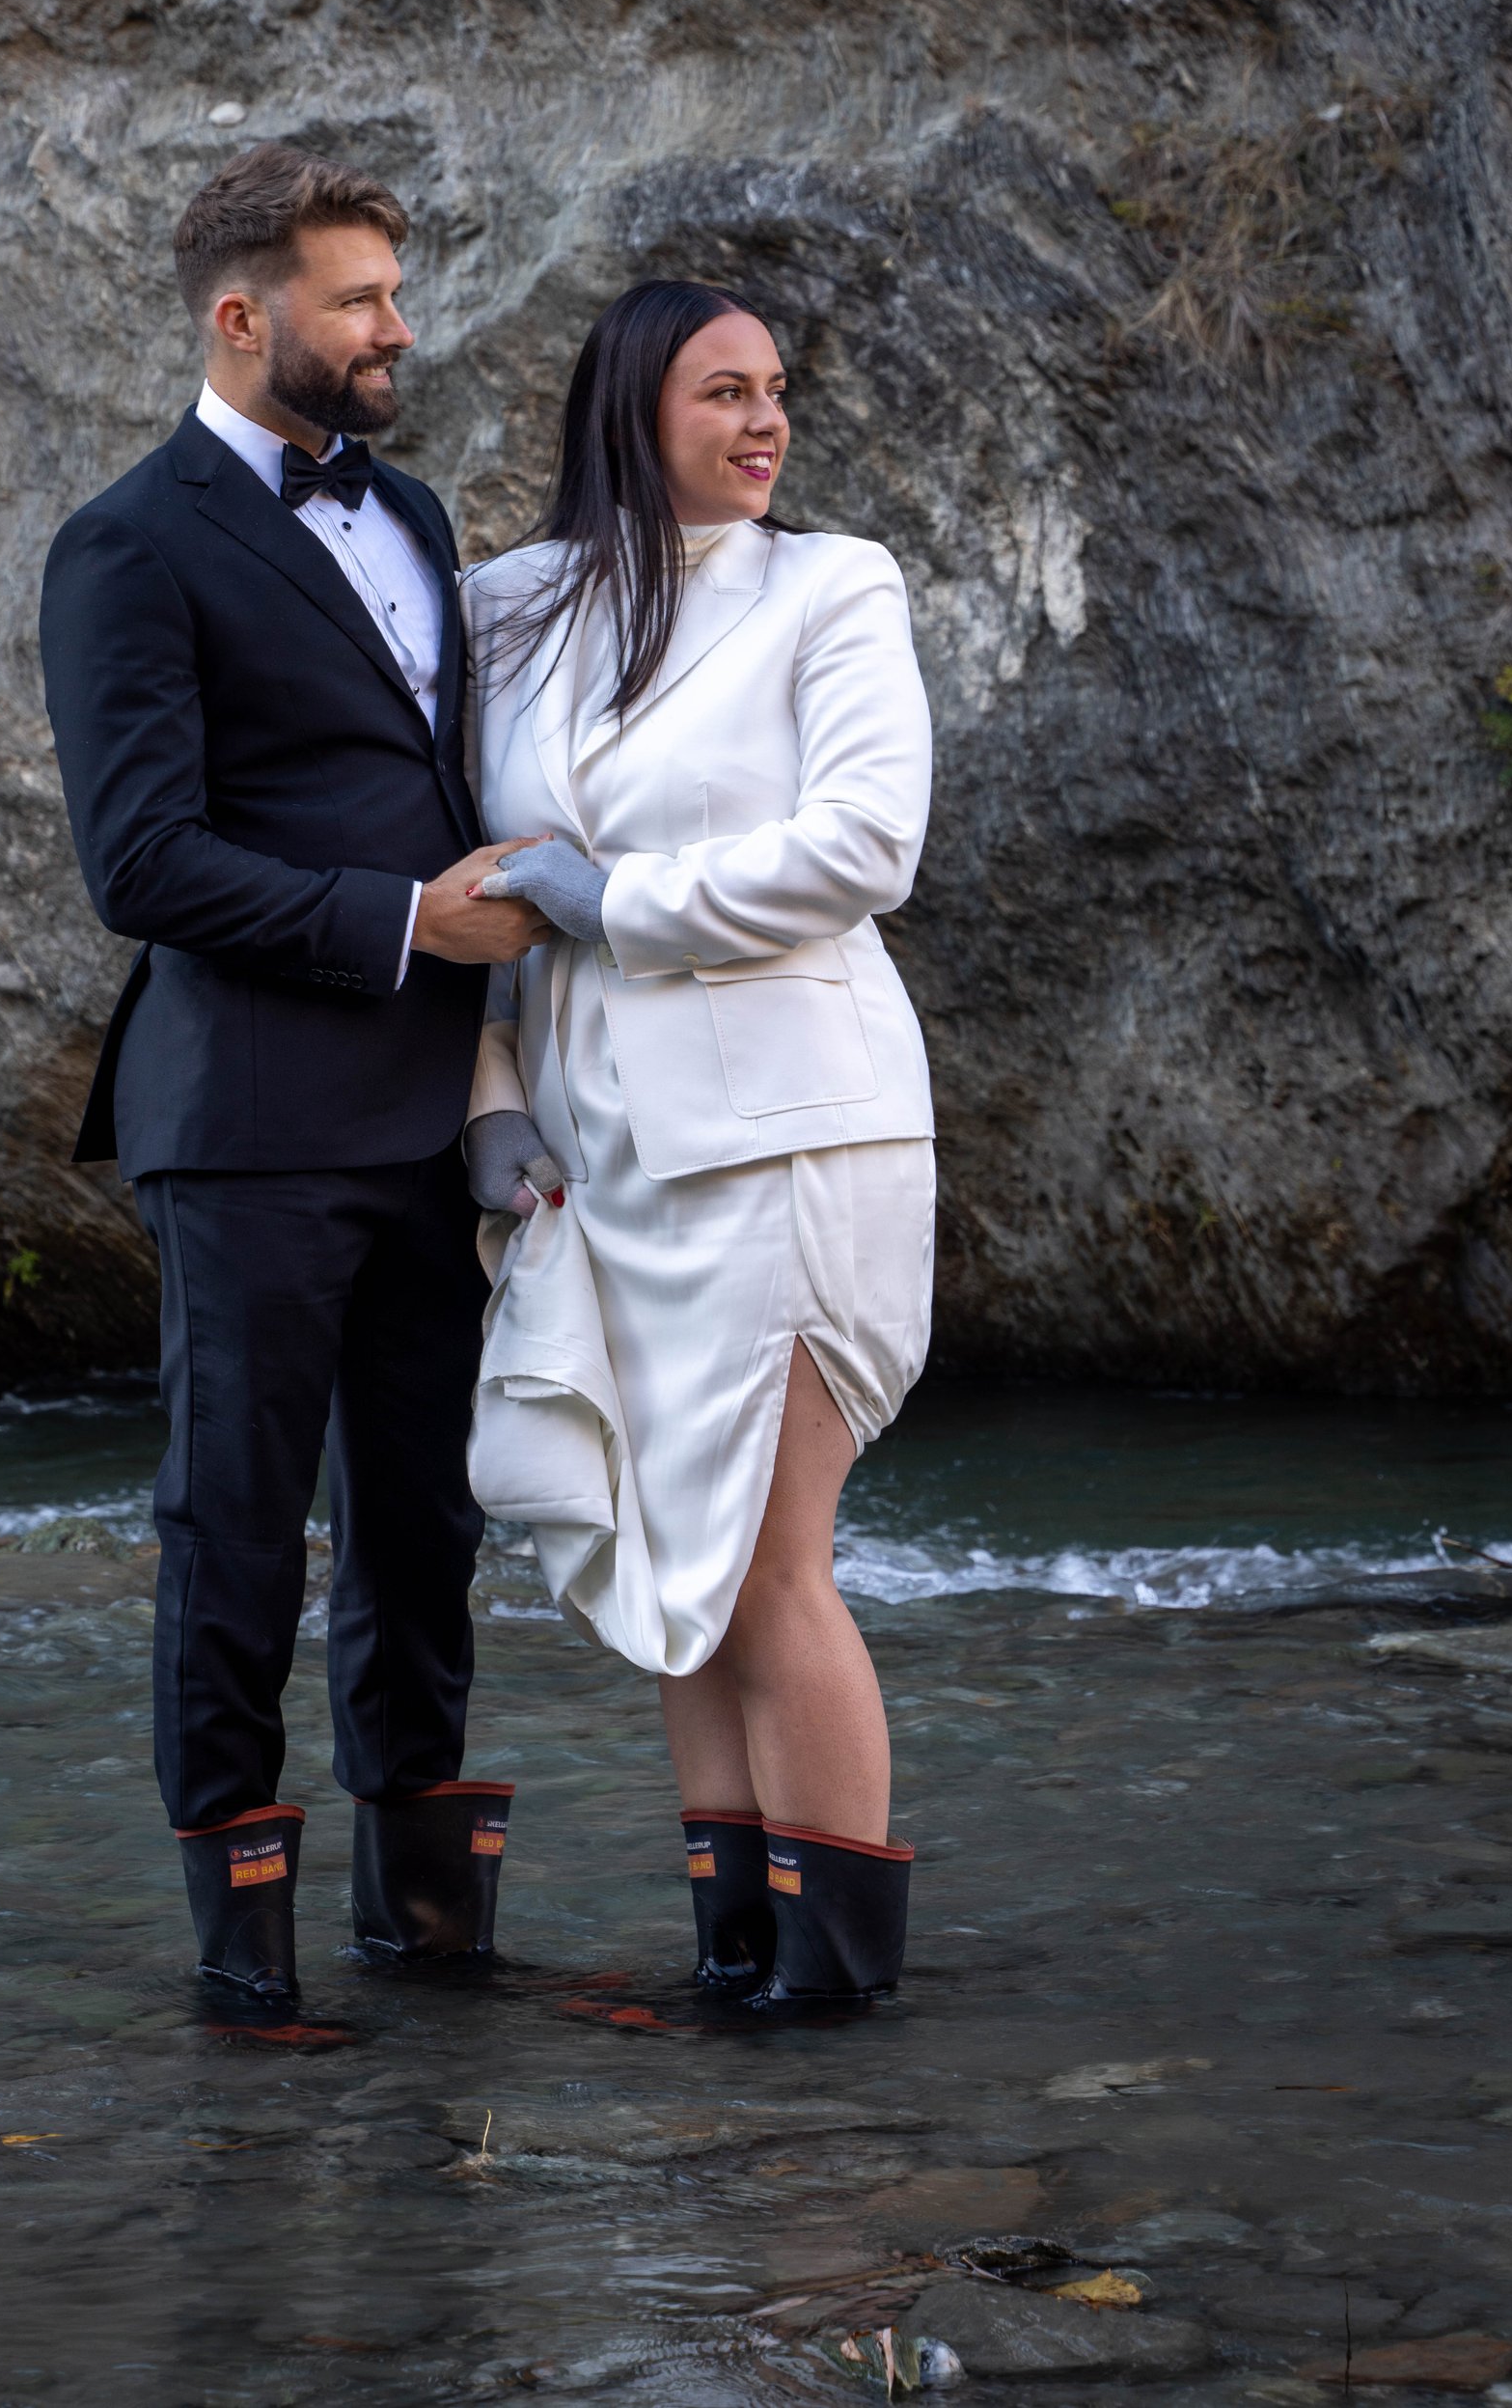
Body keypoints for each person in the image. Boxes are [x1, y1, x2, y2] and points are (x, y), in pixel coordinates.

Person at [39, 146, 543, 2008]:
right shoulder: (126, 542)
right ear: (244, 319)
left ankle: (428, 1943)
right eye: (361, 299)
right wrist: (409, 921)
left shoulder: (409, 508)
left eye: (397, 293)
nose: (399, 328)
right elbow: (141, 865)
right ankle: (246, 1978)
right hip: (245, 1124)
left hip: (428, 1121)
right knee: (234, 1530)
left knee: (427, 1526)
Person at [460, 280, 936, 2011]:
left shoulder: (834, 584)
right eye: (723, 392)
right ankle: (739, 1957)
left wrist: (625, 899)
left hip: (797, 1142)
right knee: (684, 1565)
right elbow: (479, 892)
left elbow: (868, 842)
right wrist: (493, 1104)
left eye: (777, 391)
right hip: (603, 1164)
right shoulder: (502, 612)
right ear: (628, 414)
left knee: (773, 1559)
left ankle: (837, 1987)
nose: (766, 422)